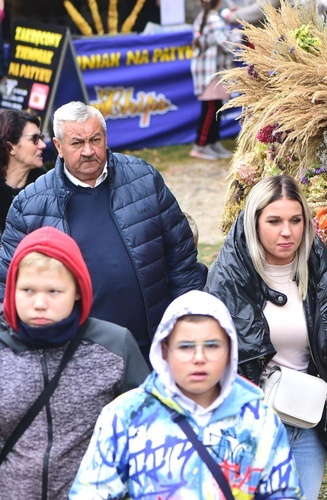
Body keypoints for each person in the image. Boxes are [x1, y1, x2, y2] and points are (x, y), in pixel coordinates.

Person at [205, 175, 327, 499]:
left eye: (295, 220)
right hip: (252, 423)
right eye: (274, 221)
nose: (287, 232)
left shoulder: (319, 269)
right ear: (254, 223)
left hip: (307, 414)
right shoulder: (229, 278)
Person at [0, 101, 207, 361]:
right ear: (59, 146)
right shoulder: (29, 205)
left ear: (105, 137)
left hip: (152, 347)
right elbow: (6, 283)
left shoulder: (143, 179)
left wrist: (188, 325)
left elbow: (182, 262)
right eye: (77, 143)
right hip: (74, 358)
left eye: (95, 139)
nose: (88, 151)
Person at [70, 290, 304, 498]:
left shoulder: (257, 417)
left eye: (212, 345)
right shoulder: (125, 416)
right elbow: (92, 491)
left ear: (230, 350)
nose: (199, 358)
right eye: (185, 346)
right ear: (165, 350)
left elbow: (282, 492)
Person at [0, 226, 148, 498]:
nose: (40, 303)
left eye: (54, 291)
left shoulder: (115, 346)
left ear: (78, 291)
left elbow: (146, 432)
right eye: (28, 290)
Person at [190, 0, 237, 161]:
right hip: (211, 72)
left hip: (210, 71)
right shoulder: (214, 19)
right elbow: (226, 44)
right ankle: (200, 146)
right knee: (211, 109)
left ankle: (213, 142)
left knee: (215, 107)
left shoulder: (204, 17)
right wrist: (239, 35)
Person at [0, 109, 47, 234]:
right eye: (34, 139)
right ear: (10, 148)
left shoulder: (46, 188)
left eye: (41, 137)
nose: (43, 145)